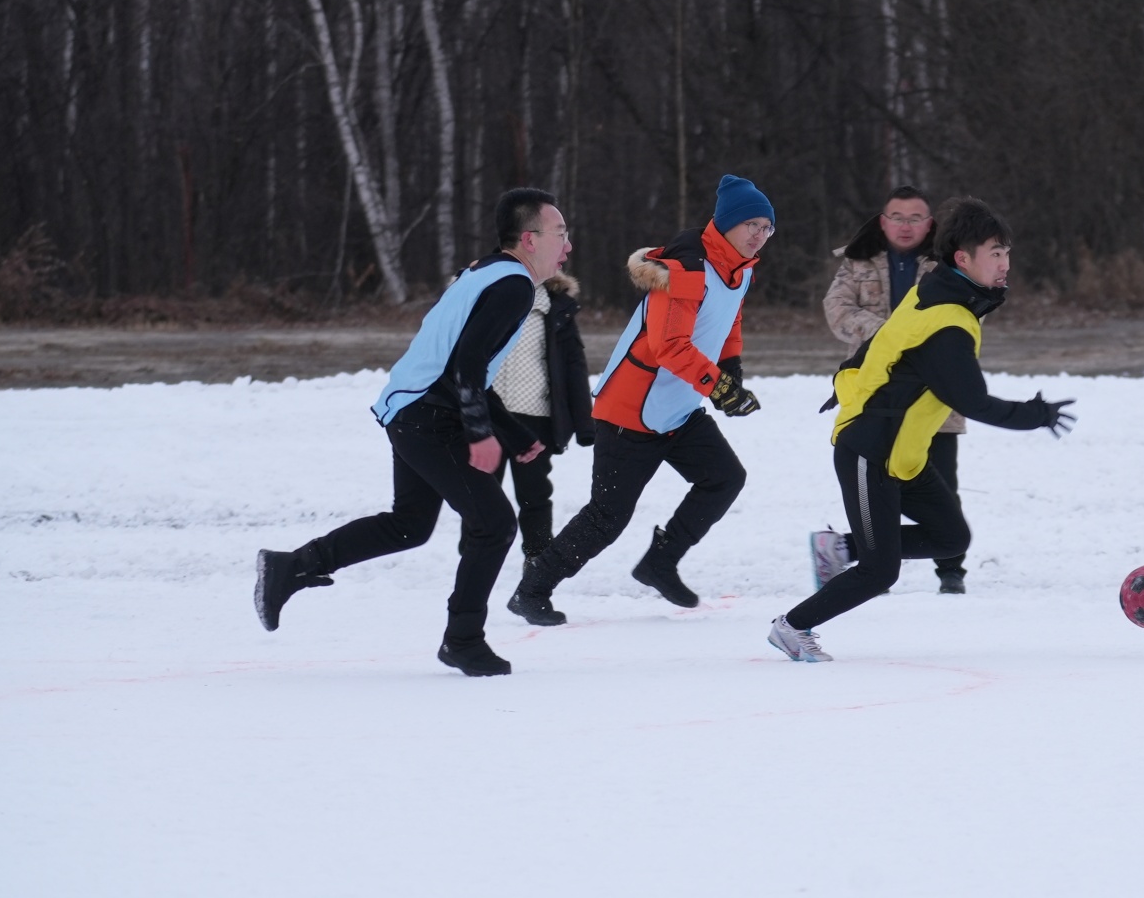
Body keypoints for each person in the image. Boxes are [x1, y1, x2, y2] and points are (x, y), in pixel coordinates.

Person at [253, 188, 566, 676]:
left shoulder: (484, 271)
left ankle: (289, 568)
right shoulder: (513, 287)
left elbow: (468, 370)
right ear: (529, 239)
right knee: (496, 524)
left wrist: (513, 433)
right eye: (560, 233)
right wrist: (483, 434)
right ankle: (463, 640)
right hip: (430, 415)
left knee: (409, 525)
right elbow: (465, 367)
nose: (568, 246)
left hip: (412, 409)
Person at [769, 198, 1076, 662]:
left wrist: (854, 375)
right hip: (869, 453)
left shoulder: (937, 292)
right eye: (995, 253)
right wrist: (1036, 414)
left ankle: (839, 547)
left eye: (1006, 252)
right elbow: (972, 401)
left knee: (950, 538)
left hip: (903, 458)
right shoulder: (948, 323)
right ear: (963, 260)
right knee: (879, 571)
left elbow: (887, 338)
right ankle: (793, 627)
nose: (1004, 263)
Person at [506, 175, 770, 626]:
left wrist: (731, 369)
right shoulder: (687, 268)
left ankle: (660, 563)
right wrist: (719, 387)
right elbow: (669, 346)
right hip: (631, 410)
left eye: (767, 227)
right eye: (751, 224)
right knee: (607, 517)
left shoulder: (738, 268)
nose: (759, 235)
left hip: (677, 408)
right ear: (725, 224)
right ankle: (531, 591)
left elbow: (729, 319)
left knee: (724, 478)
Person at [822, 186, 973, 594]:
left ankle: (950, 570)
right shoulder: (856, 261)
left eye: (915, 218)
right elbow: (837, 311)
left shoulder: (949, 264)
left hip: (935, 396)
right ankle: (870, 559)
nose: (905, 227)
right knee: (879, 485)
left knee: (943, 484)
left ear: (930, 224)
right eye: (897, 217)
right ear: (883, 221)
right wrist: (890, 334)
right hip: (877, 399)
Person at [489, 269, 594, 560]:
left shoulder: (555, 305)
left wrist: (585, 423)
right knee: (482, 495)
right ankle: (475, 556)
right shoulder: (486, 295)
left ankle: (537, 561)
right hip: (489, 414)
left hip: (536, 417)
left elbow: (574, 363)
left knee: (534, 495)